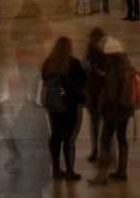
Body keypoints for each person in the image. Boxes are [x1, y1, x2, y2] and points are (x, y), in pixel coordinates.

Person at [40, 35, 88, 181]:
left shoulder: (48, 63)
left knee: (55, 136)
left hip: (53, 106)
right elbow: (82, 83)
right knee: (69, 139)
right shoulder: (74, 63)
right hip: (70, 106)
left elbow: (44, 79)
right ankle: (69, 171)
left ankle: (55, 169)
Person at [90, 36, 135, 185]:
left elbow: (111, 92)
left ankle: (102, 176)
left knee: (105, 141)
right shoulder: (126, 64)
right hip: (126, 110)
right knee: (122, 138)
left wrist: (102, 106)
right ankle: (122, 172)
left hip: (113, 111)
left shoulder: (115, 69)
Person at [83, 27, 107, 163]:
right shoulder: (92, 51)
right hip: (95, 92)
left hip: (100, 92)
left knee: (99, 125)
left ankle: (99, 151)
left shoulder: (103, 53)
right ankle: (96, 150)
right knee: (98, 124)